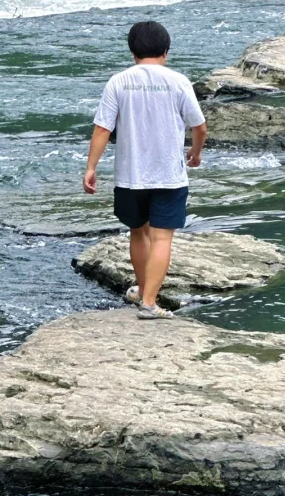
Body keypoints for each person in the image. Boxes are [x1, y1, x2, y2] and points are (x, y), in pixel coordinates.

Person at [83, 20, 206, 319]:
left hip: (130, 175)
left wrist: (91, 167)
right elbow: (199, 126)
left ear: (132, 51)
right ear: (166, 51)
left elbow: (102, 128)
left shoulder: (119, 81)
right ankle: (149, 302)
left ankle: (142, 290)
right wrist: (196, 151)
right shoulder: (178, 81)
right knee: (162, 237)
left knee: (138, 233)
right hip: (169, 175)